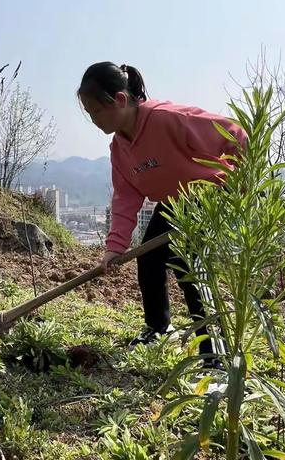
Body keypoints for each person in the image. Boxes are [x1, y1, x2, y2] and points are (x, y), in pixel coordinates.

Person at [78, 62, 247, 365]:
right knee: (149, 257)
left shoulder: (169, 119)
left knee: (189, 264)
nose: (93, 120)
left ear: (118, 100)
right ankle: (158, 328)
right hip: (173, 203)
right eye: (89, 114)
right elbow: (126, 198)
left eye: (96, 112)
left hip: (207, 196)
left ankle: (214, 351)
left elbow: (236, 134)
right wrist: (114, 248)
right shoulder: (120, 148)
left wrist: (236, 182)